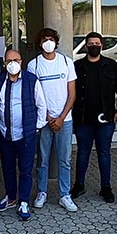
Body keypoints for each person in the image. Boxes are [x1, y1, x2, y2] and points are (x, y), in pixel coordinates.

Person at [0, 50, 47, 221]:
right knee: (7, 168)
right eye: (9, 60)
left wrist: (36, 128)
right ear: (4, 63)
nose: (12, 63)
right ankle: (10, 197)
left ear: (21, 61)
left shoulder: (31, 80)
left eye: (16, 60)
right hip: (5, 134)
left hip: (26, 135)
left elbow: (41, 105)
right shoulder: (0, 81)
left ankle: (23, 201)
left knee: (25, 170)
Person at [27, 28, 78, 212]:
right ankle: (42, 192)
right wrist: (48, 118)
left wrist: (61, 118)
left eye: (51, 39)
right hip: (44, 120)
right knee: (42, 159)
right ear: (39, 44)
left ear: (56, 42)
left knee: (64, 159)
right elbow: (35, 95)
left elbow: (72, 93)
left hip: (65, 119)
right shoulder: (34, 65)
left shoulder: (66, 62)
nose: (48, 42)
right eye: (44, 39)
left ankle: (65, 195)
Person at [71, 32, 117, 203]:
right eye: (90, 43)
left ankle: (106, 188)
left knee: (104, 154)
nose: (94, 45)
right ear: (86, 45)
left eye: (97, 43)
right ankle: (79, 185)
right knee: (82, 154)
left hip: (105, 121)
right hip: (83, 119)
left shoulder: (111, 66)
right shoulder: (77, 66)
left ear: (102, 45)